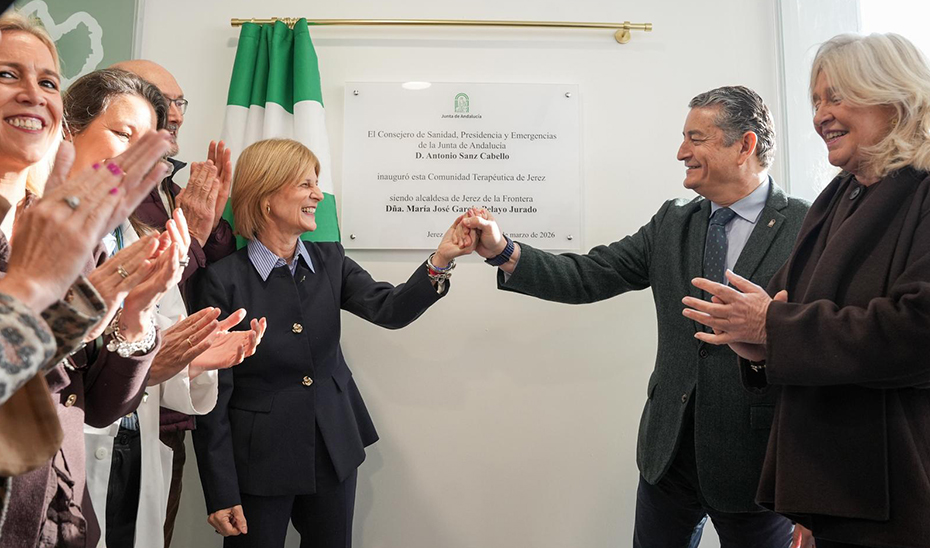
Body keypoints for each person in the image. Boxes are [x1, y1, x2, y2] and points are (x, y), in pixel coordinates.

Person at [458, 86, 812, 547]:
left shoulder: (807, 227)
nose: (681, 151)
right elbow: (591, 274)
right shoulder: (673, 221)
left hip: (757, 464)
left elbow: (818, 350)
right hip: (668, 455)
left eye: (696, 138)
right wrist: (504, 251)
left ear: (744, 145)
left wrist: (814, 497)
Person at [682, 33, 930, 548]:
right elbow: (783, 308)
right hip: (830, 489)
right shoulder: (839, 195)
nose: (821, 115)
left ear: (895, 97)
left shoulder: (922, 191)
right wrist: (755, 349)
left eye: (836, 96)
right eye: (817, 101)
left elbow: (917, 329)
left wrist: (772, 329)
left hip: (898, 493)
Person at [191, 138, 474, 548]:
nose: (318, 195)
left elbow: (389, 309)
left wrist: (440, 260)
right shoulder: (221, 280)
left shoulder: (331, 259)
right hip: (258, 461)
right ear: (267, 197)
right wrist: (220, 491)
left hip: (333, 446)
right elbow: (211, 395)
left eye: (316, 183)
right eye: (306, 184)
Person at [50, 67, 264, 548]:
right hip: (62, 446)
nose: (139, 156)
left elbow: (154, 330)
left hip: (136, 437)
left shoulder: (134, 231)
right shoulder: (30, 221)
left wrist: (191, 356)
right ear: (67, 129)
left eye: (151, 144)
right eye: (124, 135)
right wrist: (135, 348)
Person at [0, 13, 180, 548]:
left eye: (48, 81)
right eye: (8, 74)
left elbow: (87, 403)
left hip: (62, 517)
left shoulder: (74, 233)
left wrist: (129, 309)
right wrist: (33, 288)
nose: (34, 93)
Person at [111, 59, 238, 546]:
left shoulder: (171, 187)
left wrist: (209, 226)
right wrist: (191, 236)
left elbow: (206, 274)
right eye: (163, 101)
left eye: (180, 103)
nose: (177, 114)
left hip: (169, 407)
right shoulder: (114, 194)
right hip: (113, 402)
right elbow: (136, 291)